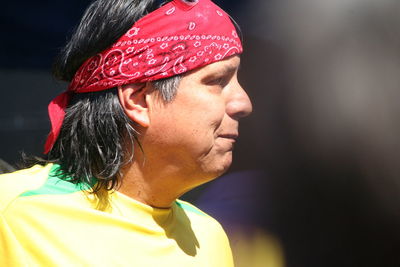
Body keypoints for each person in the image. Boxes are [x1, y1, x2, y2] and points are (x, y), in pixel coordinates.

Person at [0, 0, 252, 266]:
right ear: (138, 100)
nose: (243, 103)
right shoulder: (13, 213)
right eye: (217, 81)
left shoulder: (208, 236)